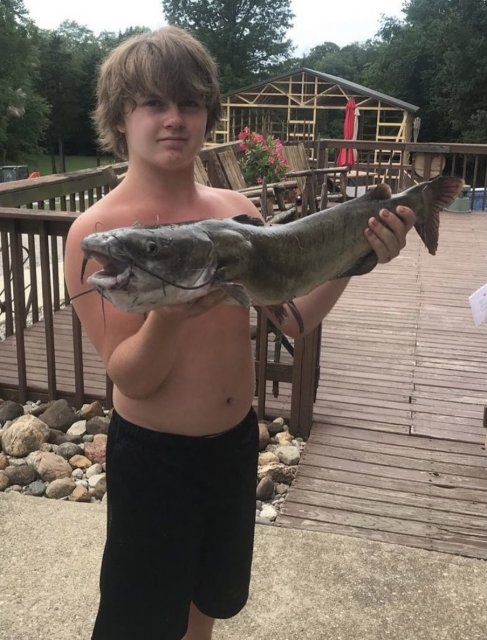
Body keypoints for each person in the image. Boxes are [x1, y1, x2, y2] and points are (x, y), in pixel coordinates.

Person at [64, 26, 416, 640]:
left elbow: (293, 318)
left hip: (232, 448)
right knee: (140, 621)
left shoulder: (238, 213)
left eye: (190, 102)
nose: (175, 119)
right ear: (119, 117)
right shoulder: (97, 234)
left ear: (208, 114)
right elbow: (132, 379)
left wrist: (357, 258)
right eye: (153, 103)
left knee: (210, 602)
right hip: (153, 460)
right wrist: (170, 314)